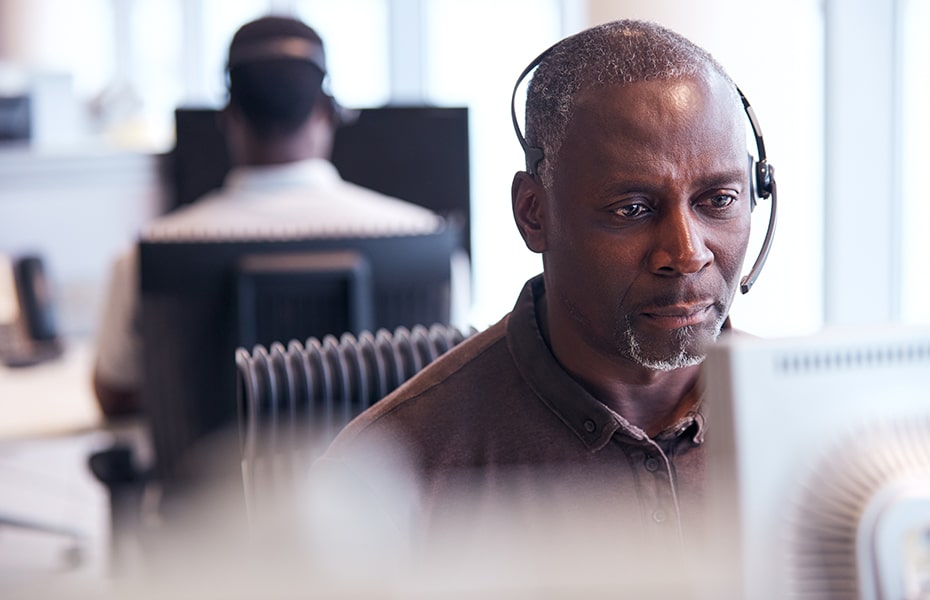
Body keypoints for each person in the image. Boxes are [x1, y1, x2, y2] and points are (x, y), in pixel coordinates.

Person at [311, 19, 773, 578]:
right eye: (631, 209)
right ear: (533, 214)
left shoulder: (815, 422)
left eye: (718, 199)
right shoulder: (390, 479)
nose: (686, 252)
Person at [92, 15, 443, 418]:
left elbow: (114, 395)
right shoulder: (427, 238)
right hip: (377, 463)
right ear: (327, 111)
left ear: (228, 116)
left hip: (210, 463)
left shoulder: (145, 256)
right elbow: (447, 379)